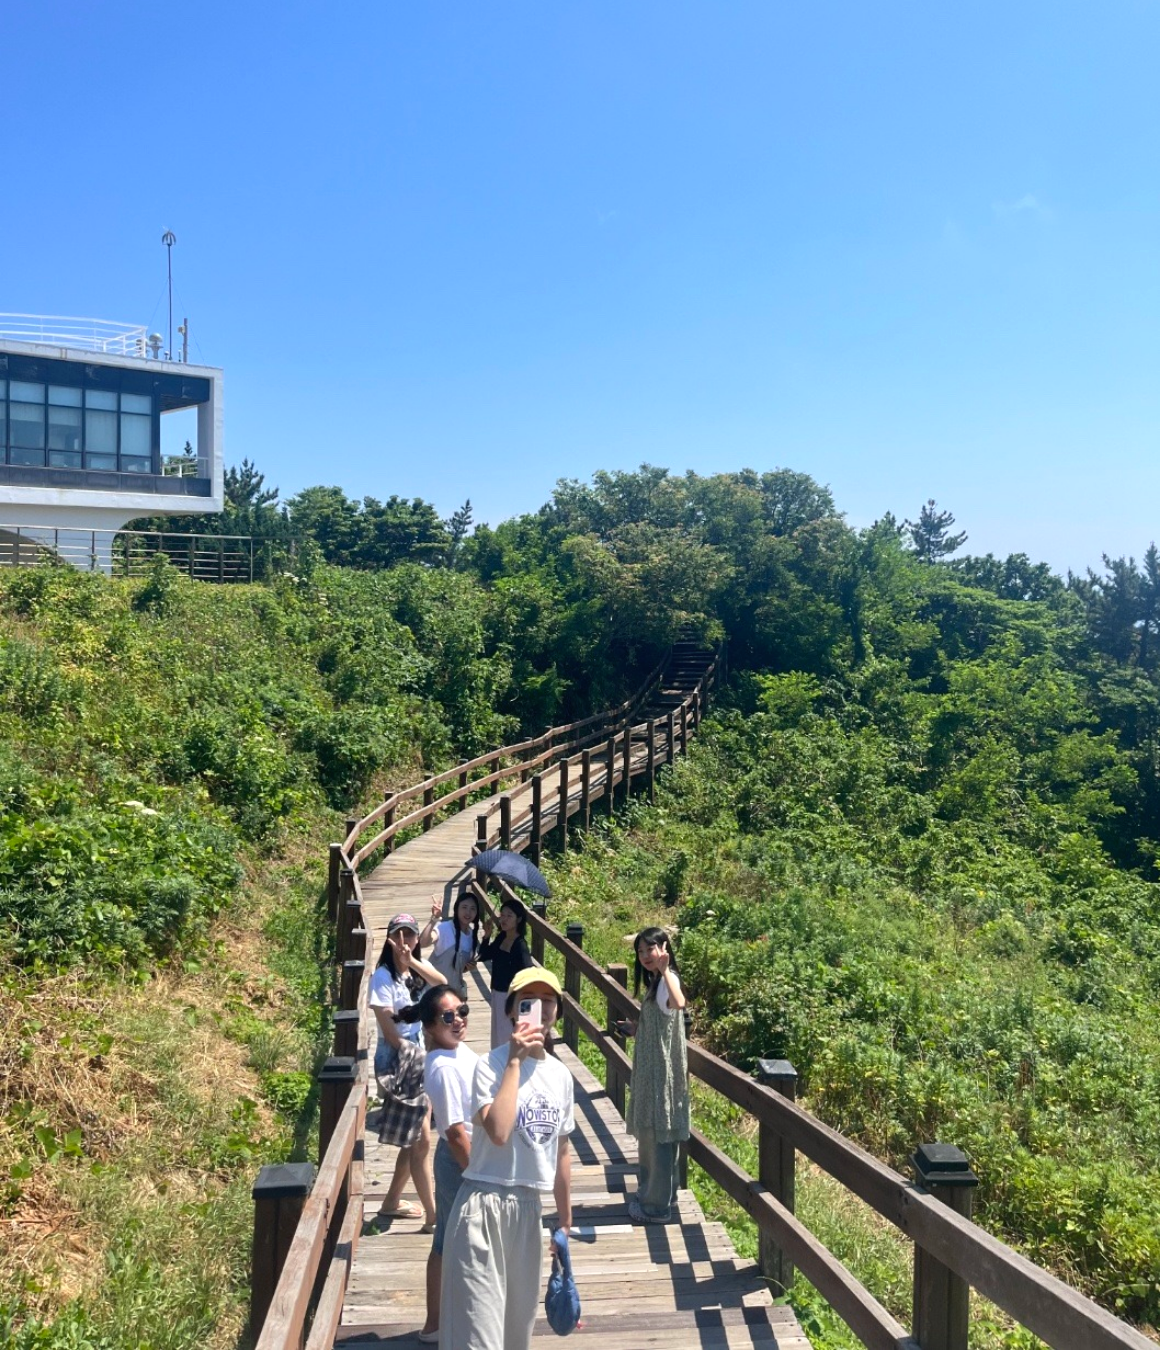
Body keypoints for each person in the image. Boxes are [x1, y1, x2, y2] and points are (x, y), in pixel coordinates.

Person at [438, 966, 574, 1350]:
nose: (540, 1009)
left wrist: (565, 1222)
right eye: (528, 1001)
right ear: (512, 1011)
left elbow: (562, 1150)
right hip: (483, 1205)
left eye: (548, 1001)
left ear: (557, 1011)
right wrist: (515, 1061)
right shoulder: (491, 1065)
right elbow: (498, 1132)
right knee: (477, 1338)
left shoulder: (562, 1076)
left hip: (529, 1211)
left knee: (516, 1338)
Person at [392, 983, 478, 1345]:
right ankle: (436, 1323)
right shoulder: (442, 1066)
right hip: (461, 1161)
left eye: (462, 1011)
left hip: (471, 1155)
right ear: (429, 1026)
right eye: (448, 1016)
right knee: (449, 1242)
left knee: (456, 1240)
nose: (458, 1020)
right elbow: (455, 1132)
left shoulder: (459, 1051)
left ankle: (445, 1321)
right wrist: (479, 1175)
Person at [370, 913, 443, 1227]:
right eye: (398, 934)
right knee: (422, 1139)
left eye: (410, 934)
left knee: (416, 1138)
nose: (405, 940)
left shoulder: (415, 972)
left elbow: (442, 986)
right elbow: (390, 1034)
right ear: (388, 939)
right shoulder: (382, 977)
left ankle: (390, 1202)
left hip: (417, 1055)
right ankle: (434, 1216)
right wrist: (420, 1059)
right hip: (397, 1060)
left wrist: (411, 960)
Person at [622, 926, 689, 1224]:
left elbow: (679, 1003)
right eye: (640, 951)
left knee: (655, 1135)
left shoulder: (667, 979)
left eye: (650, 949)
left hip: (659, 1073)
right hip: (655, 1069)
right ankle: (664, 1196)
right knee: (660, 1133)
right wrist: (638, 1029)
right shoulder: (657, 982)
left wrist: (664, 970)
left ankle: (654, 1207)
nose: (645, 955)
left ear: (664, 948)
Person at [477, 896, 535, 1048]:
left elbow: (528, 970)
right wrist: (487, 936)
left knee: (507, 1035)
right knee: (497, 1034)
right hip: (497, 992)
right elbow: (484, 955)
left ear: (519, 919)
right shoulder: (501, 937)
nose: (504, 919)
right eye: (502, 915)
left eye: (509, 916)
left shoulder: (520, 945)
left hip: (510, 996)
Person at [421, 888, 480, 988]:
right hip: (432, 990)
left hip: (453, 991)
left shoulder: (472, 936)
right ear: (456, 909)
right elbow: (422, 943)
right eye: (464, 907)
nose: (468, 912)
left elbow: (459, 969)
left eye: (472, 909)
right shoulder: (445, 928)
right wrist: (434, 919)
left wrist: (469, 967)